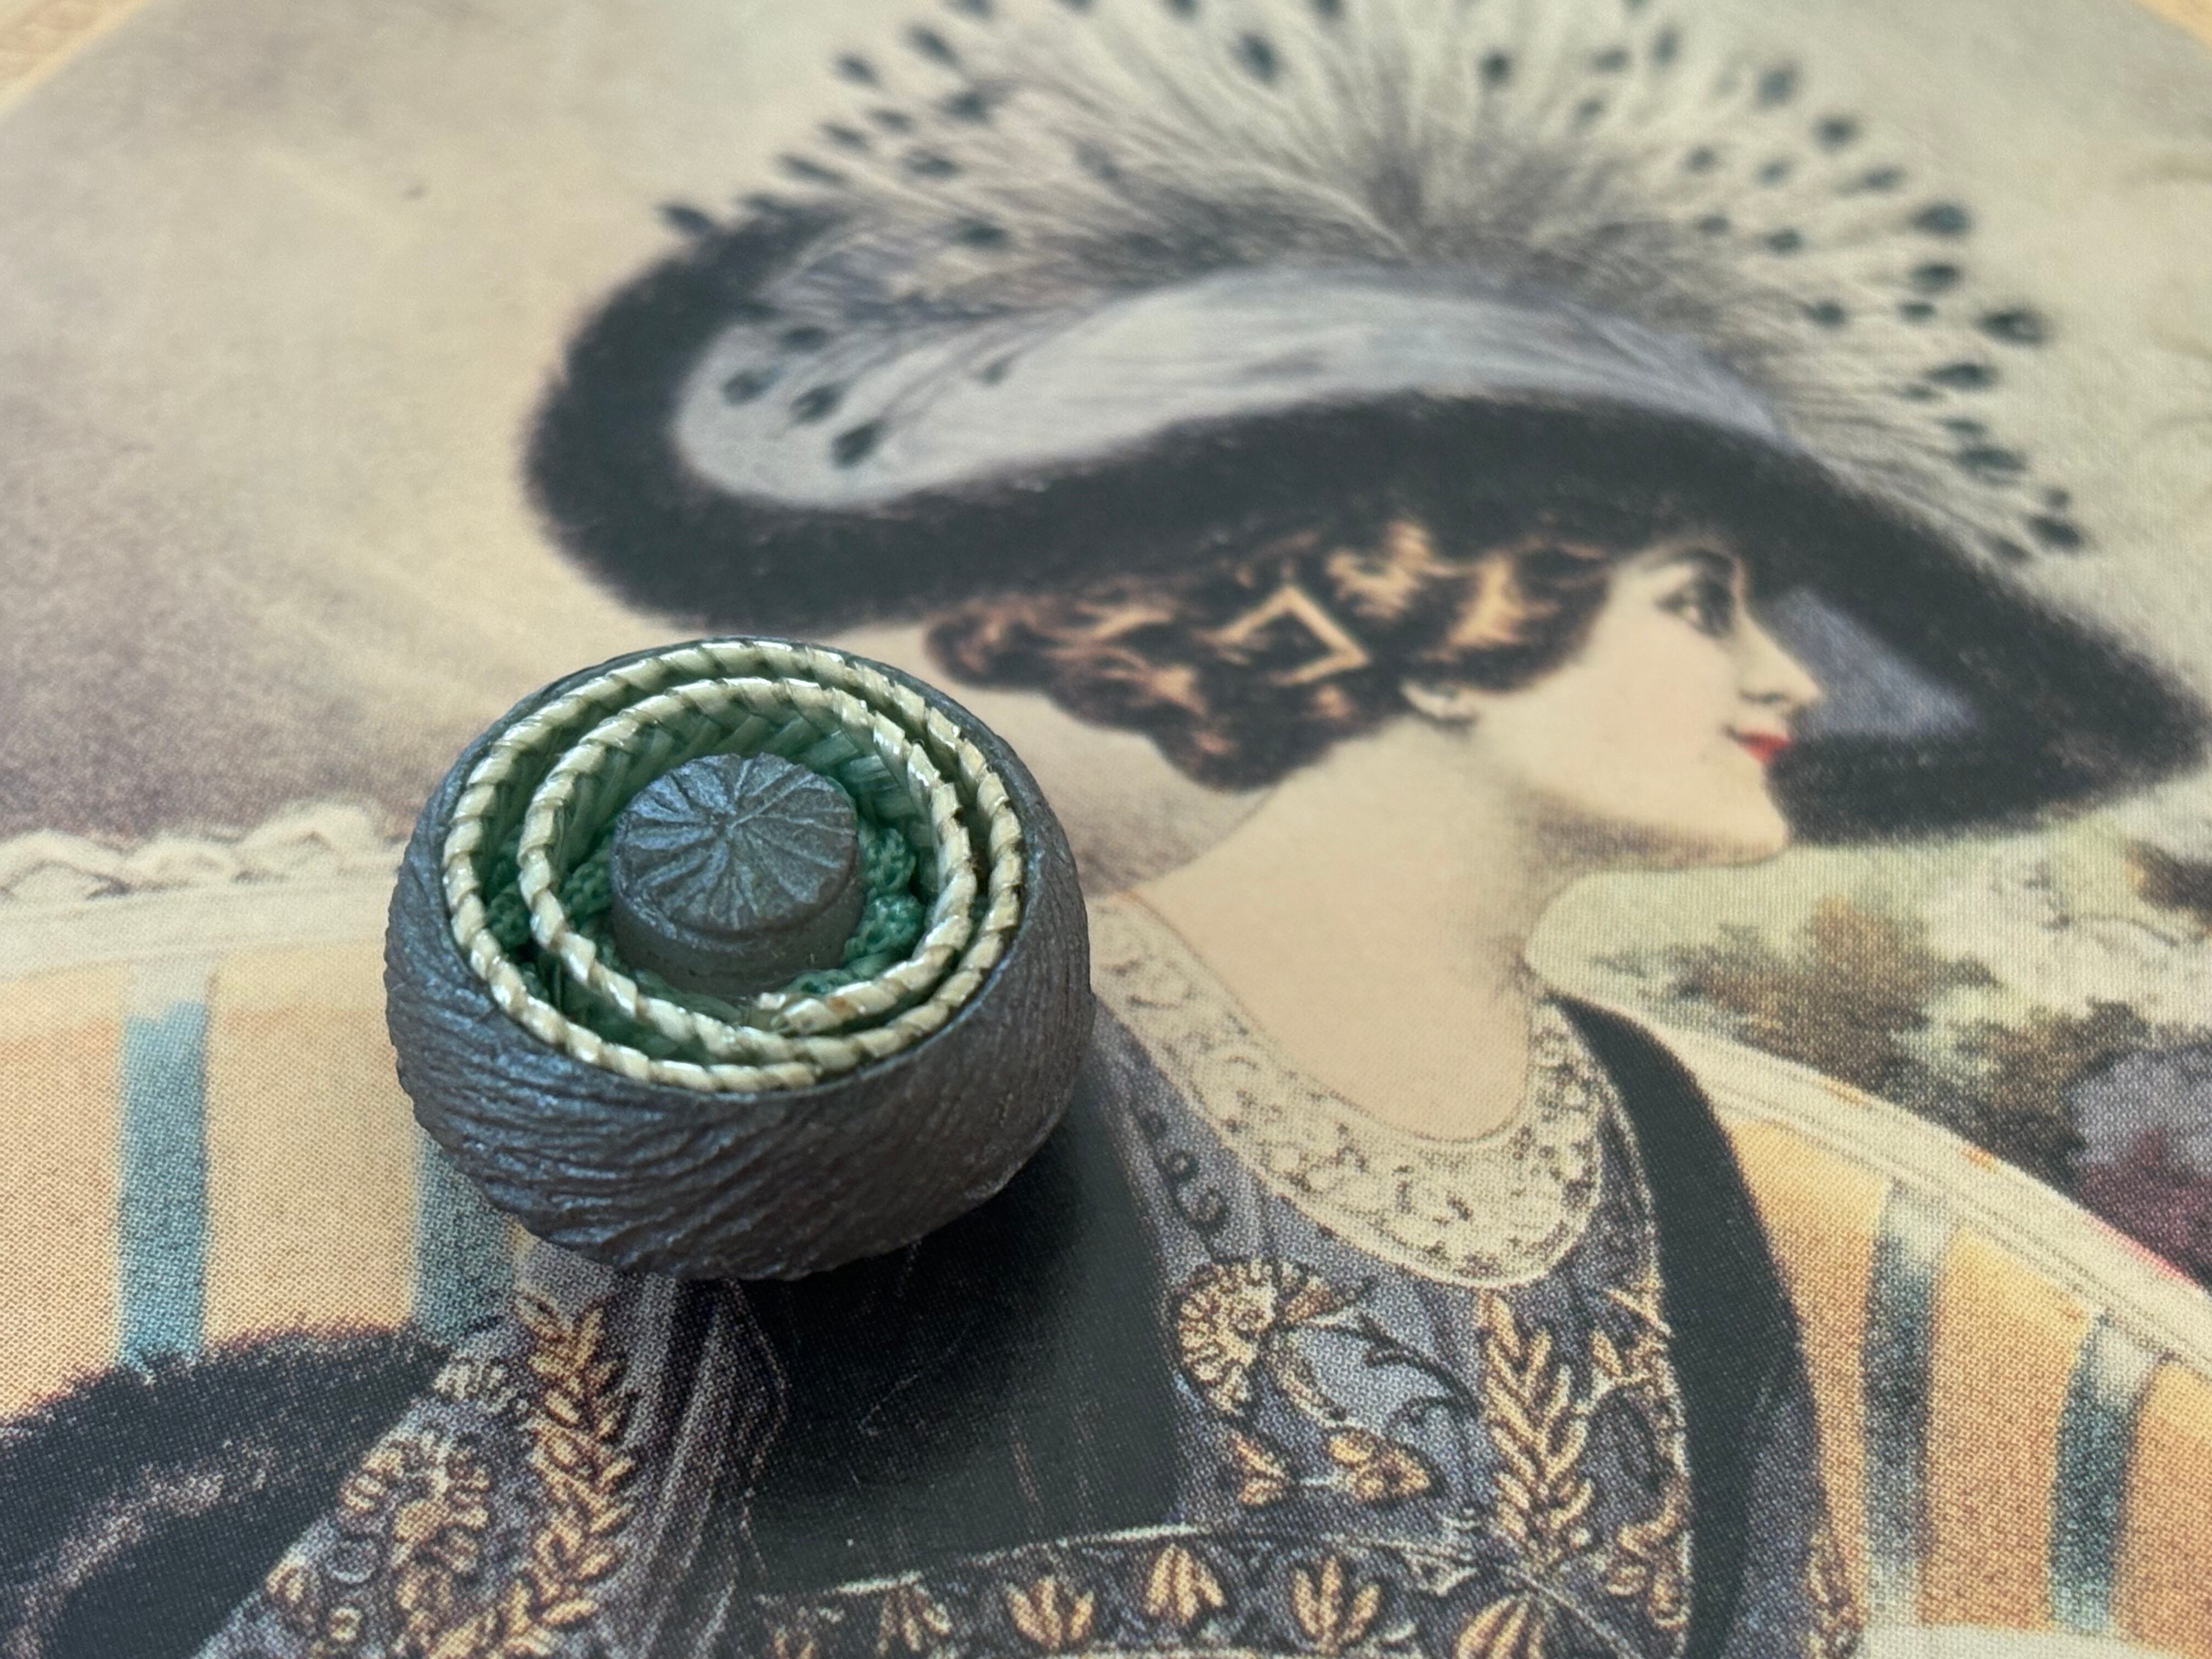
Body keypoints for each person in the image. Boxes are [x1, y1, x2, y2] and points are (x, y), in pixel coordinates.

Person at [74, 3, 2212, 1656]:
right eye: (1703, 597)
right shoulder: (951, 1080)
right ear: (1424, 600)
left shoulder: (1652, 1135)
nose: (1783, 682)